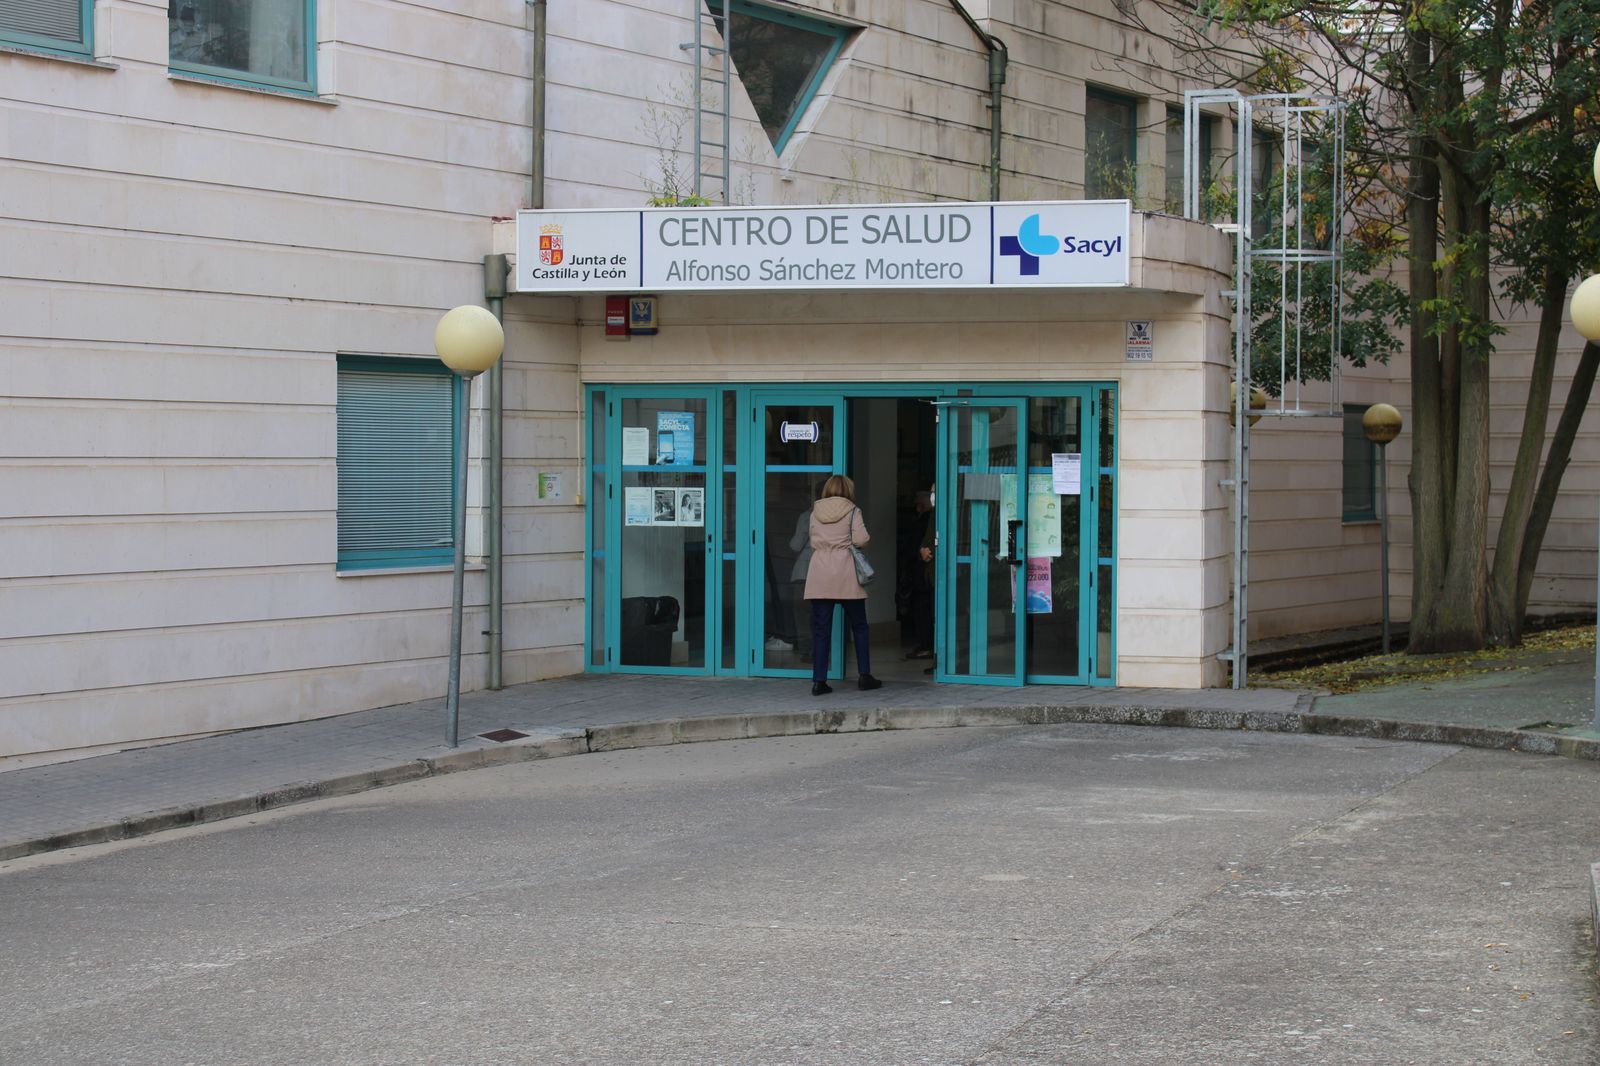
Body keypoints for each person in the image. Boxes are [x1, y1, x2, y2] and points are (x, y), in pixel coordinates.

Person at [803, 475, 881, 695]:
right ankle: (864, 676)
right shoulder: (853, 511)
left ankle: (819, 681)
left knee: (821, 629)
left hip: (820, 571)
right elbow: (862, 539)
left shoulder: (814, 512)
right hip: (846, 571)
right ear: (848, 489)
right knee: (859, 626)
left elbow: (812, 540)